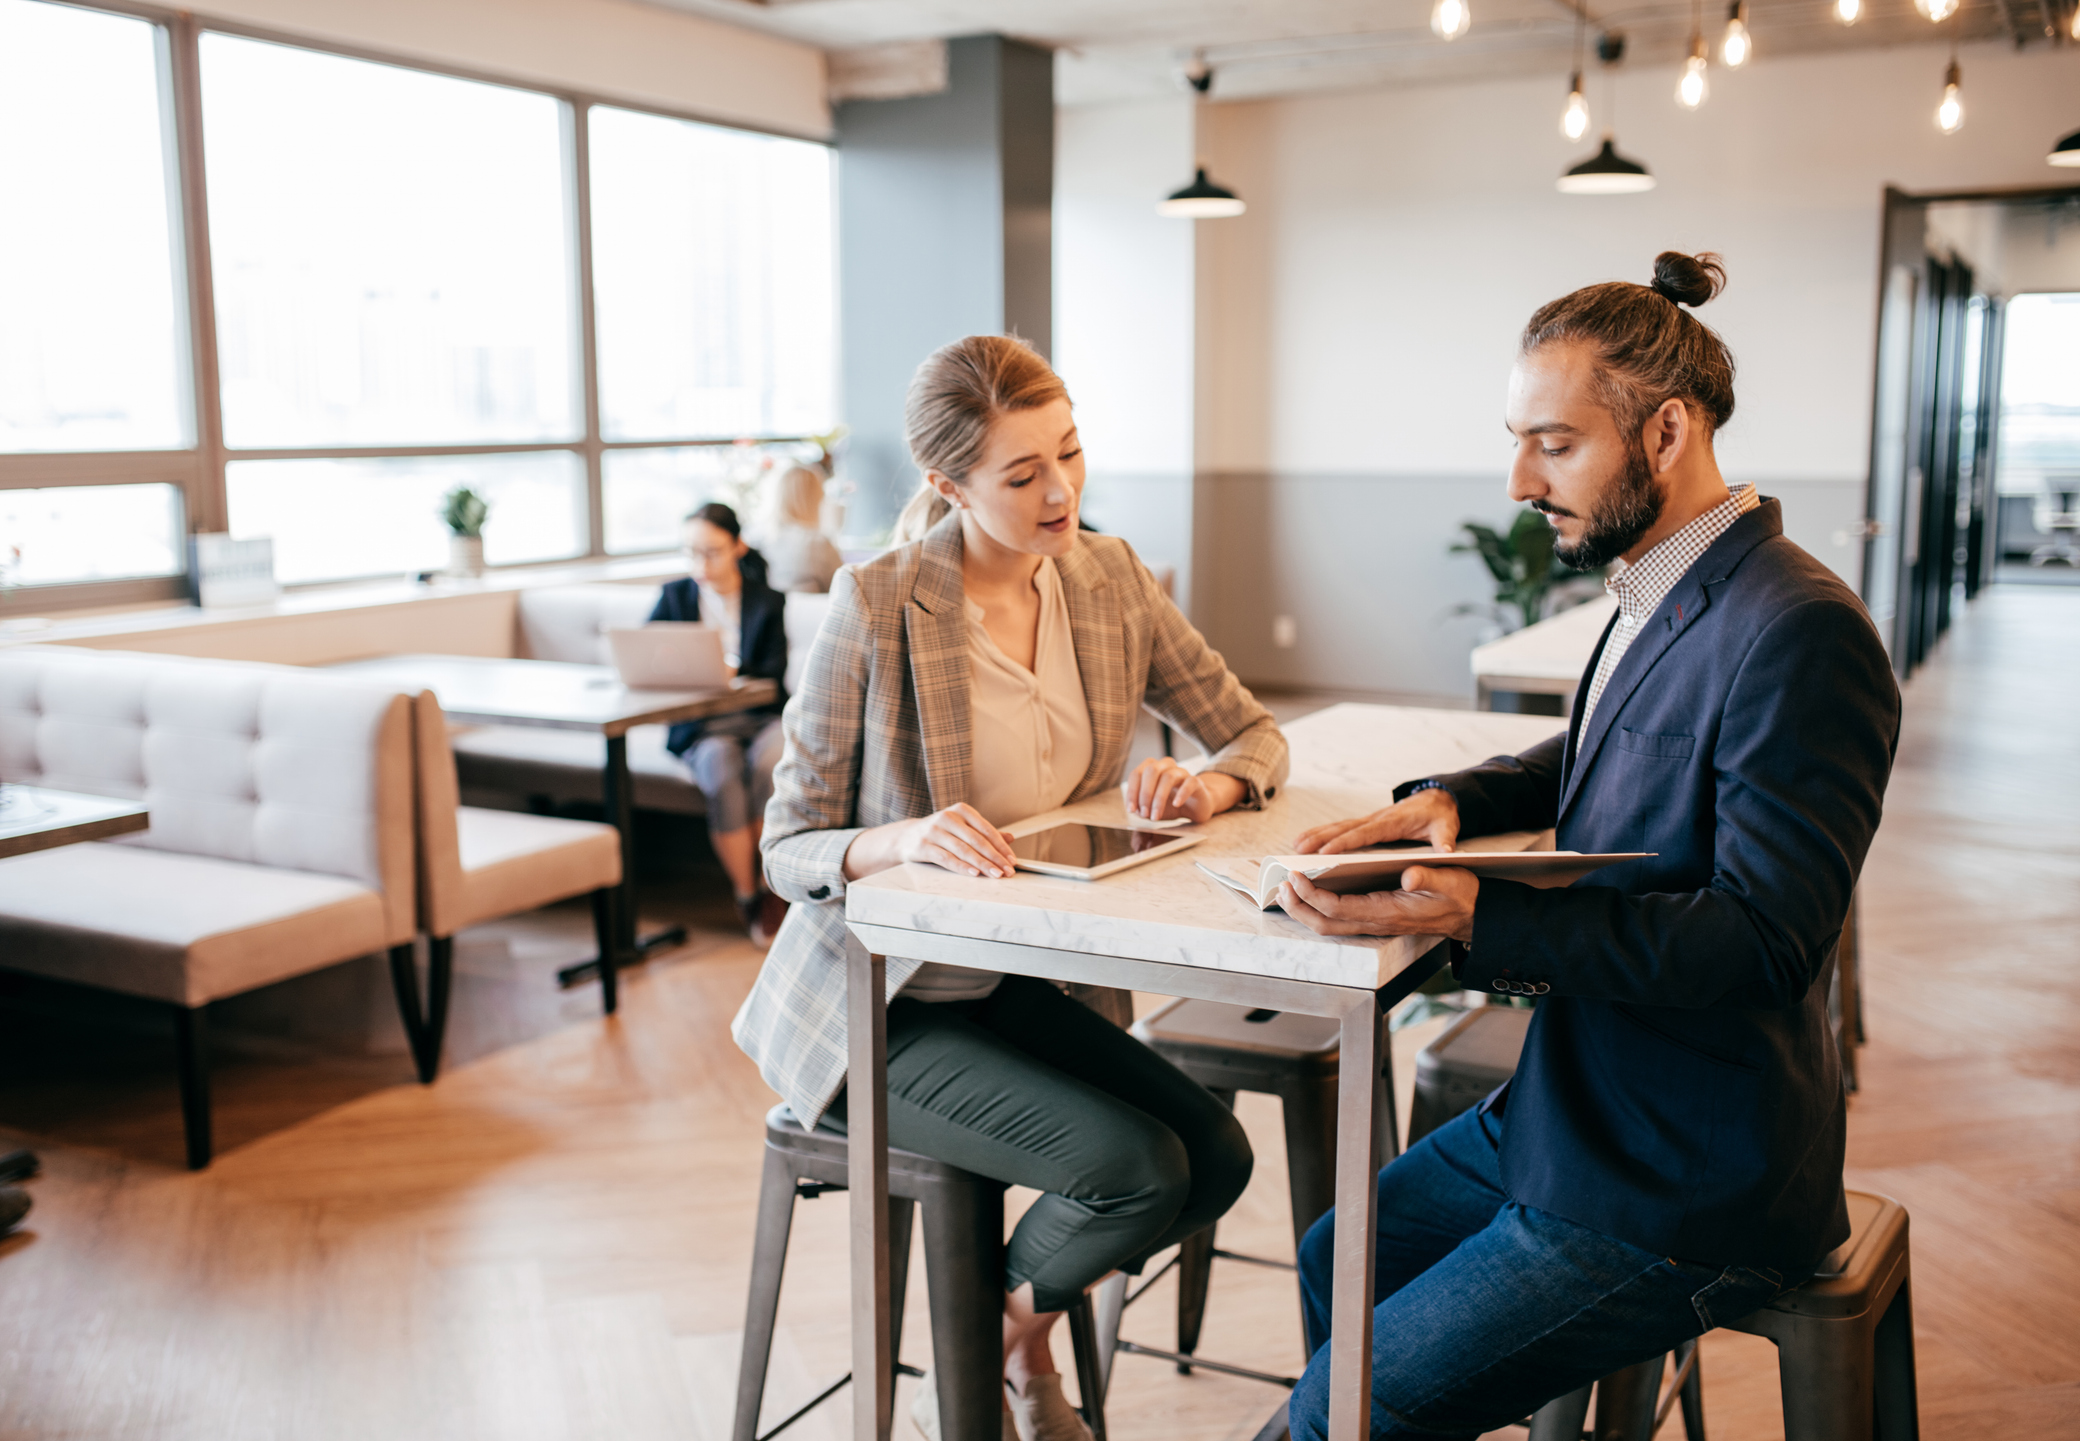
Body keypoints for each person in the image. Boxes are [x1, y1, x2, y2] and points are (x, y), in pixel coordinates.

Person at [1276, 253, 1901, 1440]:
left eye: (1553, 444)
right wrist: (1456, 794)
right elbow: (1615, 745)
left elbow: (1763, 940)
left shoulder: (1800, 630)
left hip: (1684, 1175)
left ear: (1664, 432)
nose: (1519, 477)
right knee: (1335, 1260)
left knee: (1333, 1409)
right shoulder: (1665, 584)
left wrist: (1474, 915)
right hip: (1576, 1106)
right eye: (1519, 439)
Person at [735, 335, 1289, 1441]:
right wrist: (898, 841)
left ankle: (992, 1341)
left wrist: (1209, 782)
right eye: (1022, 474)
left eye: (1070, 455)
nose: (1060, 491)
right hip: (877, 1009)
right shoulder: (878, 600)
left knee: (1215, 1157)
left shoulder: (1109, 575)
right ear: (947, 485)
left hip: (1021, 985)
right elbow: (785, 843)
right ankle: (1012, 1369)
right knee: (1135, 1170)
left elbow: (1254, 732)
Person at [650, 502, 787, 945]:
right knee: (721, 771)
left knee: (771, 766)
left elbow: (772, 673)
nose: (700, 565)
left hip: (759, 717)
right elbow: (648, 658)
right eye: (692, 553)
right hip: (703, 725)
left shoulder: (766, 600)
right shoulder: (675, 598)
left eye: (711, 552)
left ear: (737, 547)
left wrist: (735, 678)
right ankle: (747, 892)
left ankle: (773, 889)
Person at [760, 464, 844, 593]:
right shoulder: (819, 543)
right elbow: (843, 589)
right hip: (811, 611)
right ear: (815, 498)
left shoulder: (762, 542)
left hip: (773, 611)